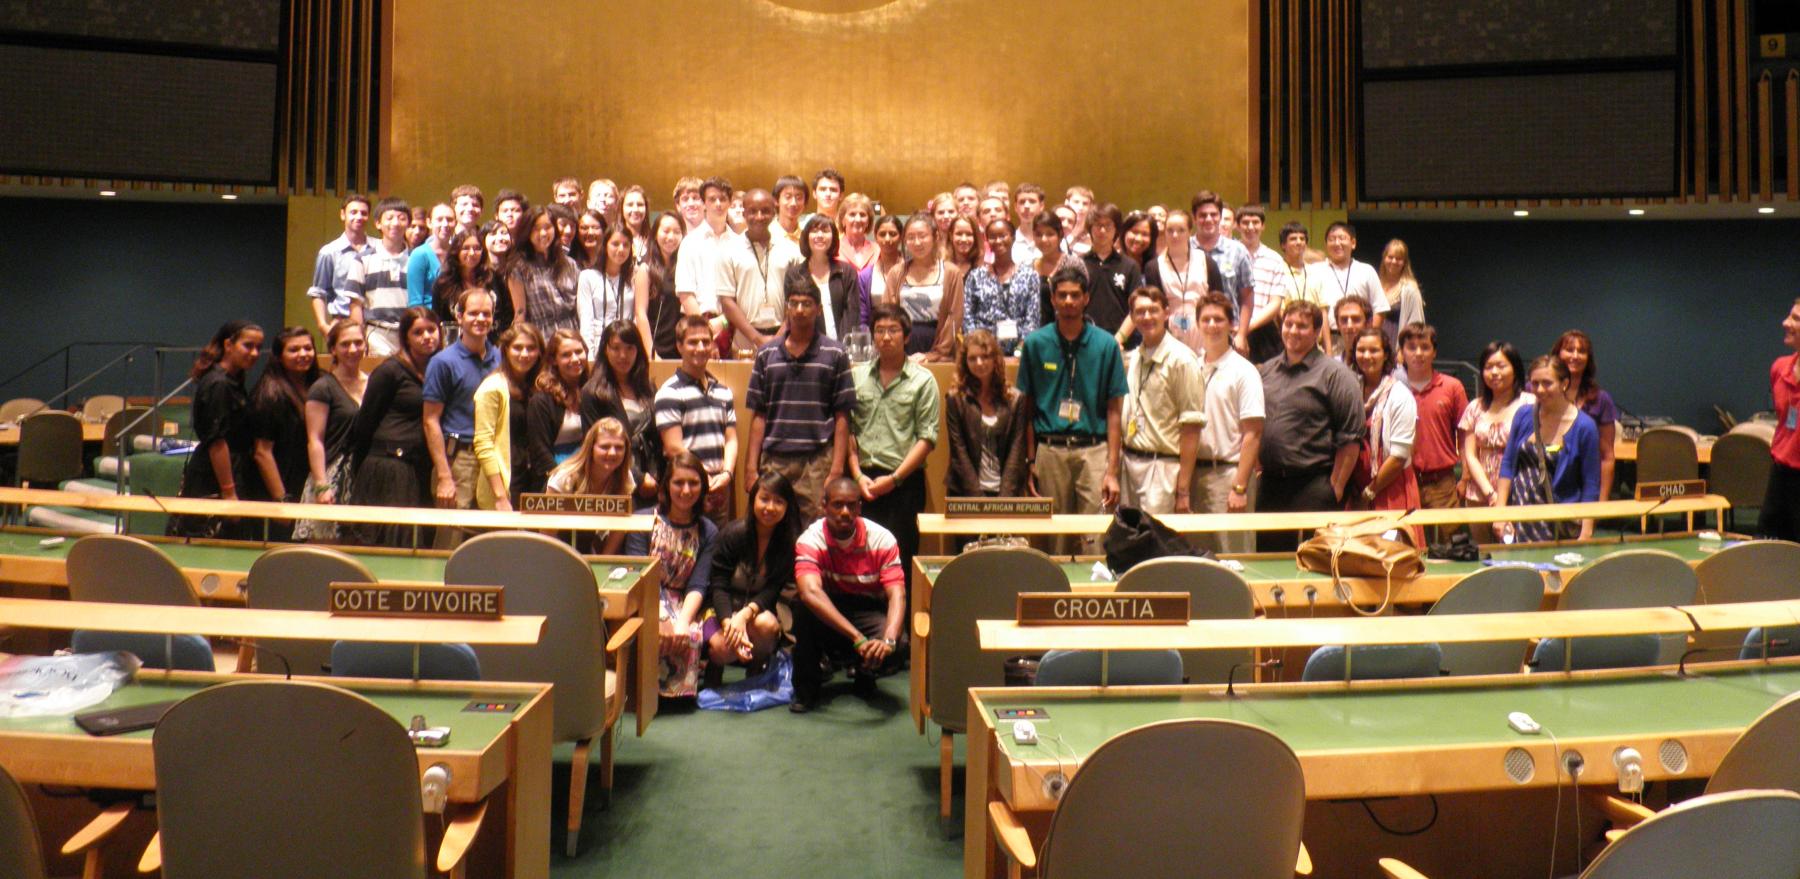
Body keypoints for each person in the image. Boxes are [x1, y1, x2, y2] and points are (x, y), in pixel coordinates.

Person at [1017, 266, 1128, 554]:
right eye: (1062, 295)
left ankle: (1094, 595)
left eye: (1075, 295)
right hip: (1050, 452)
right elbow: (1026, 411)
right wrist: (1030, 462)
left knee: (1095, 539)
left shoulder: (1106, 345)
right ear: (1052, 299)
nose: (1068, 301)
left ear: (1086, 298)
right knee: (1054, 543)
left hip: (1093, 452)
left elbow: (1115, 411)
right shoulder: (1035, 344)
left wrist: (1112, 471)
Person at [790, 477, 908, 712]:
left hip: (866, 608)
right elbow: (810, 591)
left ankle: (866, 670)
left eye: (852, 505)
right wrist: (857, 638)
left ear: (859, 508)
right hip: (828, 611)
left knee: (901, 645)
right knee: (803, 607)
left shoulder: (883, 539)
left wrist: (888, 641)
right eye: (837, 505)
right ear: (824, 506)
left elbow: (898, 595)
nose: (845, 512)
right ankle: (807, 686)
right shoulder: (810, 539)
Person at [1256, 299, 1366, 552]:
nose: (1293, 331)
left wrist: (1335, 489)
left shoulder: (1336, 375)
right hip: (1271, 486)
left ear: (1317, 332)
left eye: (1302, 326)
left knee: (1314, 563)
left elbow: (1351, 438)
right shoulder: (1267, 371)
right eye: (1289, 324)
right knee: (1269, 561)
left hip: (1314, 485)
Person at [745, 279, 856, 520]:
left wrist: (836, 469)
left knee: (814, 532)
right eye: (793, 303)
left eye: (806, 304)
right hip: (774, 460)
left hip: (816, 463)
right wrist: (751, 468)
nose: (799, 310)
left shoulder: (836, 353)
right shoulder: (766, 354)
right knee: (771, 531)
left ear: (818, 309)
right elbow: (759, 415)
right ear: (786, 308)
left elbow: (842, 417)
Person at [848, 304, 940, 588]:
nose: (886, 337)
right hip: (861, 483)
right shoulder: (856, 376)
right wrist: (857, 476)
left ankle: (898, 630)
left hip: (903, 485)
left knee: (900, 562)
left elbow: (927, 438)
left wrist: (895, 478)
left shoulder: (923, 381)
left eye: (893, 330)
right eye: (879, 330)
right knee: (859, 561)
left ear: (907, 336)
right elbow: (849, 432)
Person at [625, 452, 719, 699]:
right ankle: (644, 694)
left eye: (693, 483)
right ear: (667, 485)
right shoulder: (642, 520)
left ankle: (679, 694)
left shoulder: (708, 530)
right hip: (645, 594)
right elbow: (639, 574)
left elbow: (698, 584)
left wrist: (682, 622)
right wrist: (661, 617)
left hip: (685, 600)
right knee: (655, 628)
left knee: (688, 632)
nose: (686, 490)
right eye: (678, 483)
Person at [346, 307, 439, 547]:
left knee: (419, 543)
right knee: (392, 543)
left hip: (420, 467)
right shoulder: (389, 371)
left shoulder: (437, 370)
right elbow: (365, 424)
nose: (427, 336)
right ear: (405, 337)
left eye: (431, 330)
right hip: (389, 466)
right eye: (418, 332)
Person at [171, 320, 263, 539]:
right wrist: (229, 493)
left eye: (259, 347)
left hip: (229, 469)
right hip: (214, 477)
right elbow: (217, 441)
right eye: (248, 345)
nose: (255, 353)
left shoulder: (233, 380)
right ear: (228, 345)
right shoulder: (219, 384)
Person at [422, 289, 500, 548]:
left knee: (491, 540)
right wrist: (445, 476)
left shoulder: (500, 358)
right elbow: (430, 421)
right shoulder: (443, 362)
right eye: (474, 313)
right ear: (459, 316)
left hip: (493, 458)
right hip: (460, 459)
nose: (480, 319)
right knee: (451, 539)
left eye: (486, 314)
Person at [703, 470, 799, 674]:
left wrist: (744, 616)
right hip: (720, 609)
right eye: (764, 499)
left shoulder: (787, 543)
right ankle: (714, 669)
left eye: (779, 502)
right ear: (753, 499)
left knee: (767, 626)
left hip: (755, 611)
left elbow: (773, 589)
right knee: (722, 648)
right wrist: (730, 624)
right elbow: (718, 586)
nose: (770, 508)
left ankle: (756, 672)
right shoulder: (733, 533)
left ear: (787, 507)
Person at [1118, 287, 1203, 516]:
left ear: (1166, 313)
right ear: (1133, 318)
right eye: (1140, 312)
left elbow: (1192, 427)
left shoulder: (1183, 360)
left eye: (1153, 310)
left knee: (1156, 548)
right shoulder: (1135, 356)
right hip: (1129, 464)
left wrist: (1183, 490)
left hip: (1162, 469)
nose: (1146, 317)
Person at [1498, 356, 1601, 541]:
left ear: (1564, 383)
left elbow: (1590, 484)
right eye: (1534, 383)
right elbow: (1507, 464)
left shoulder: (1585, 426)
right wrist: (1500, 512)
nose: (1539, 390)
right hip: (1520, 516)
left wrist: (1586, 530)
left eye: (1547, 383)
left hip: (1558, 521)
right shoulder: (1523, 415)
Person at [1192, 292, 1265, 554]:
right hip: (1195, 477)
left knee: (1234, 557)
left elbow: (1253, 434)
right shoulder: (1192, 367)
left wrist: (1239, 486)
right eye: (1206, 319)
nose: (1212, 325)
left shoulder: (1244, 371)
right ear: (1198, 323)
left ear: (1232, 324)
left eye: (1218, 319)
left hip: (1229, 475)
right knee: (1197, 560)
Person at [655, 315, 740, 523]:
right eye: (693, 342)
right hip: (687, 490)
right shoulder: (669, 393)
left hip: (720, 489)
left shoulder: (723, 392)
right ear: (679, 346)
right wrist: (704, 480)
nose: (700, 348)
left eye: (705, 341)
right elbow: (674, 448)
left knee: (717, 551)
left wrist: (727, 474)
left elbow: (731, 439)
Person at [1345, 328, 1422, 544]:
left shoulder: (1400, 395)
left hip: (1389, 489)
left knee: (1392, 556)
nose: (1367, 356)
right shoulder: (1352, 389)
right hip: (1357, 490)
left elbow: (1398, 457)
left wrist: (1369, 493)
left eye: (1374, 350)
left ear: (1385, 354)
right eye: (1361, 350)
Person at [245, 327, 321, 540]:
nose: (303, 354)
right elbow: (262, 452)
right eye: (294, 350)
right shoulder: (269, 393)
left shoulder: (315, 384)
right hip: (277, 490)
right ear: (279, 356)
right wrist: (281, 501)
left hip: (301, 483)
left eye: (308, 348)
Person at [294, 320, 367, 543]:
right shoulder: (323, 387)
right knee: (324, 548)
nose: (353, 349)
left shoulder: (372, 383)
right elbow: (314, 440)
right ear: (333, 349)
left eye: (358, 342)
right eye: (345, 344)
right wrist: (321, 485)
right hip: (331, 476)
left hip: (362, 476)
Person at [1458, 341, 1534, 544]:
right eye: (1488, 367)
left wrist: (1500, 497)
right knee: (1484, 555)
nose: (1494, 372)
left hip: (1518, 493)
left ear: (1516, 369)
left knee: (1514, 555)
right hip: (1479, 494)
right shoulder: (1475, 406)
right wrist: (1490, 494)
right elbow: (1470, 454)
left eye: (1501, 366)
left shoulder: (1530, 403)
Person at [945, 329, 1031, 500]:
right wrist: (978, 500)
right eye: (972, 358)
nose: (979, 363)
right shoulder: (955, 399)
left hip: (1006, 492)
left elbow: (1016, 450)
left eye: (985, 357)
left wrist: (1003, 500)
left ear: (995, 360)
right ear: (965, 362)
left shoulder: (1015, 399)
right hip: (965, 493)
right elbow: (959, 451)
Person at [582, 320, 659, 499]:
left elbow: (656, 438)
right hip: (614, 482)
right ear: (605, 350)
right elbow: (592, 445)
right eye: (616, 348)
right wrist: (638, 479)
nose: (623, 355)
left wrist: (656, 477)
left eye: (629, 348)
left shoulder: (648, 388)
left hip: (653, 480)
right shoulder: (593, 393)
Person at [716, 188, 798, 355]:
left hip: (786, 338)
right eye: (752, 211)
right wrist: (757, 338)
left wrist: (780, 336)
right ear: (744, 213)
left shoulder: (790, 249)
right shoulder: (728, 250)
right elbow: (726, 301)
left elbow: (797, 298)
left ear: (774, 213)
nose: (759, 217)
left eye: (765, 211)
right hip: (745, 340)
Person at [472, 324, 543, 511]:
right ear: (506, 350)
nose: (525, 354)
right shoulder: (492, 388)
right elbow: (483, 445)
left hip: (532, 480)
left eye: (531, 348)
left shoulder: (538, 387)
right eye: (518, 347)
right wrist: (500, 495)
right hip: (506, 483)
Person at [1398, 323, 1467, 516]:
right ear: (1401, 352)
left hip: (1442, 484)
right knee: (1407, 542)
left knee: (1446, 542)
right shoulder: (1392, 389)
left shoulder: (1452, 387)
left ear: (1434, 352)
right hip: (1402, 481)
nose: (1418, 353)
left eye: (1425, 347)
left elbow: (1464, 436)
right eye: (1411, 347)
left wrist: (1465, 478)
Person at [883, 213, 965, 361]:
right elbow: (887, 314)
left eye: (922, 236)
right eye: (911, 237)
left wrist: (936, 354)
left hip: (940, 347)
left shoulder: (951, 272)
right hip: (902, 345)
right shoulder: (896, 273)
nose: (917, 242)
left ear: (935, 237)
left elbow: (955, 316)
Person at [545, 417, 633, 554]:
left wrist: (604, 560)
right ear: (590, 447)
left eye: (619, 447)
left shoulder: (625, 477)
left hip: (594, 548)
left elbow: (620, 527)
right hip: (558, 550)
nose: (612, 453)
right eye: (604, 447)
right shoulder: (564, 477)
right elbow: (547, 532)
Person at [1551, 330, 1619, 501]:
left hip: (1584, 486)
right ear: (1557, 354)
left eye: (1581, 351)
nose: (1575, 355)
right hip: (1545, 479)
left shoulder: (1601, 399)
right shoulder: (1537, 391)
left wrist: (1601, 503)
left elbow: (1607, 457)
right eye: (1569, 349)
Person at [343, 197, 413, 356]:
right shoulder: (363, 259)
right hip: (376, 335)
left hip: (408, 336)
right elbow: (355, 304)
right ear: (378, 223)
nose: (395, 223)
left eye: (402, 218)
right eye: (389, 218)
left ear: (408, 223)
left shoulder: (416, 260)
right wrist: (359, 338)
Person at [674, 177, 741, 338]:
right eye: (712, 199)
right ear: (704, 203)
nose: (718, 204)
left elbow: (743, 293)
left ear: (730, 202)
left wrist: (724, 322)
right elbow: (685, 294)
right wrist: (705, 331)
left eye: (723, 199)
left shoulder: (740, 244)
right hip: (698, 323)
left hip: (734, 324)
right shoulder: (690, 242)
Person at [962, 219, 1039, 355]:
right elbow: (967, 315)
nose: (998, 241)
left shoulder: (1029, 275)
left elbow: (1033, 316)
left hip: (1021, 351)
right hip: (983, 352)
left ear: (1013, 237)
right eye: (992, 237)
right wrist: (977, 346)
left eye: (1003, 236)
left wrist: (1022, 348)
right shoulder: (976, 276)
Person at [1190, 191, 1255, 348]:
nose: (1208, 219)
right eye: (1203, 215)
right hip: (1190, 336)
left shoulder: (1237, 251)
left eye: (1213, 214)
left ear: (1220, 217)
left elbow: (1247, 297)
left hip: (1229, 334)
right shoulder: (1185, 249)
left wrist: (1241, 334)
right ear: (1194, 218)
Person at [1759, 299, 1800, 541]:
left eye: (1796, 319)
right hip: (1780, 476)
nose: (1785, 323)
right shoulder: (1779, 369)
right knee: (1766, 548)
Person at [1154, 210, 1222, 355]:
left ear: (1190, 232)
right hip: (1169, 335)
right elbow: (1156, 306)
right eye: (1170, 230)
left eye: (1181, 230)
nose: (1175, 235)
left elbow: (1218, 301)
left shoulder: (1207, 262)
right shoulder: (1154, 266)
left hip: (1204, 331)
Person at [784, 214, 861, 340]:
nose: (820, 235)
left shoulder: (846, 272)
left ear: (833, 237)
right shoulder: (794, 274)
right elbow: (792, 315)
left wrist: (842, 348)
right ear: (806, 236)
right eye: (814, 231)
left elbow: (852, 313)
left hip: (842, 348)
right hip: (806, 348)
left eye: (825, 231)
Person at [1306, 221, 1389, 337]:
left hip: (1360, 337)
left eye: (1342, 238)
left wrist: (1369, 337)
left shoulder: (1366, 270)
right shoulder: (1314, 271)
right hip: (1324, 339)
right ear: (1326, 245)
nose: (1337, 243)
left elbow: (1379, 308)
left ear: (1353, 243)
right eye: (1331, 239)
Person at [508, 206, 580, 339]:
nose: (543, 233)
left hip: (573, 334)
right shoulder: (518, 268)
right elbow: (520, 313)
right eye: (536, 228)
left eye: (547, 227)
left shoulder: (570, 264)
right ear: (527, 232)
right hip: (542, 337)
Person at [306, 194, 373, 335]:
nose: (359, 217)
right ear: (343, 215)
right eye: (353, 212)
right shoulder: (329, 252)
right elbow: (318, 292)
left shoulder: (378, 249)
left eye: (364, 213)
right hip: (342, 323)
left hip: (375, 326)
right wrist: (323, 326)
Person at [1237, 205, 1295, 363]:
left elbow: (1275, 303)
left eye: (1255, 222)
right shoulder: (1229, 253)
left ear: (1263, 226)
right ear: (1237, 226)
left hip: (1263, 331)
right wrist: (1238, 329)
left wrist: (1246, 327)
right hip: (1231, 328)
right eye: (1245, 222)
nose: (1250, 227)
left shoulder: (1274, 259)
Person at [1079, 203, 1140, 336]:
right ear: (1090, 228)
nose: (1102, 231)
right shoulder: (1078, 264)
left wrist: (1120, 337)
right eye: (1098, 225)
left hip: (1122, 344)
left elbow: (1137, 307)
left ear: (1116, 229)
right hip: (1085, 339)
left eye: (1108, 226)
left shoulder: (1130, 266)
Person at [576, 223, 635, 356]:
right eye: (615, 244)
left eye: (626, 245)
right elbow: (586, 321)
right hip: (598, 347)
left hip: (626, 348)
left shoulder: (634, 278)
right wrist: (589, 356)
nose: (621, 249)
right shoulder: (588, 277)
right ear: (605, 245)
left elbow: (636, 318)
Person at [634, 211, 686, 359]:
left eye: (677, 232)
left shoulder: (685, 268)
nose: (671, 237)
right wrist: (651, 352)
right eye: (666, 231)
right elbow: (640, 313)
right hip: (656, 348)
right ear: (656, 233)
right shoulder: (646, 269)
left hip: (681, 347)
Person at [430, 229, 489, 329]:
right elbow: (437, 319)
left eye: (477, 248)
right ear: (456, 251)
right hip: (455, 341)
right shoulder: (443, 283)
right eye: (465, 248)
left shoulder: (492, 278)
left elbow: (506, 313)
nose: (472, 253)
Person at [405, 202, 457, 309]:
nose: (445, 224)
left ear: (455, 223)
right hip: (429, 319)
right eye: (439, 219)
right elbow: (415, 302)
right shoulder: (420, 255)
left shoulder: (457, 253)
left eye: (450, 220)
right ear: (429, 223)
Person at [1379, 239, 1425, 335]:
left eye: (1399, 259)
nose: (1394, 261)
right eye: (1390, 257)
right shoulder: (1376, 285)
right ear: (1384, 258)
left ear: (1404, 262)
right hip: (1376, 344)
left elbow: (1416, 326)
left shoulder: (1410, 290)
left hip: (1398, 344)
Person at [479, 220, 517, 333]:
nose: (500, 238)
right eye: (493, 234)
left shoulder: (517, 270)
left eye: (504, 233)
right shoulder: (479, 273)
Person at [864, 213, 905, 313]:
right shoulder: (865, 275)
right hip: (875, 326)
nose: (887, 239)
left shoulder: (912, 269)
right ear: (875, 236)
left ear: (901, 237)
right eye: (882, 234)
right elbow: (862, 313)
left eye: (893, 234)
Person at [1011, 183, 1047, 264]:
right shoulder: (1009, 241)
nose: (1026, 206)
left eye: (1032, 201)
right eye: (1022, 202)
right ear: (1015, 207)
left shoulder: (1052, 241)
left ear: (1041, 206)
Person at [1332, 295, 1374, 363]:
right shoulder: (1332, 367)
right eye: (1344, 320)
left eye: (1356, 319)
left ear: (1368, 324)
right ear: (1337, 325)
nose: (1349, 326)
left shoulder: (1383, 368)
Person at [772, 175, 808, 246]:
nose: (793, 203)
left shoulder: (808, 237)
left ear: (805, 203)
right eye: (788, 197)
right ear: (776, 200)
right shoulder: (766, 235)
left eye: (799, 198)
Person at [570, 208, 607, 273]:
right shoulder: (571, 262)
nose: (590, 233)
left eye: (595, 228)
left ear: (604, 231)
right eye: (584, 228)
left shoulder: (610, 260)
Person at [621, 185, 651, 257]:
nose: (635, 209)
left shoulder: (654, 239)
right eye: (630, 205)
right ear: (621, 208)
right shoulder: (613, 239)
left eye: (640, 205)